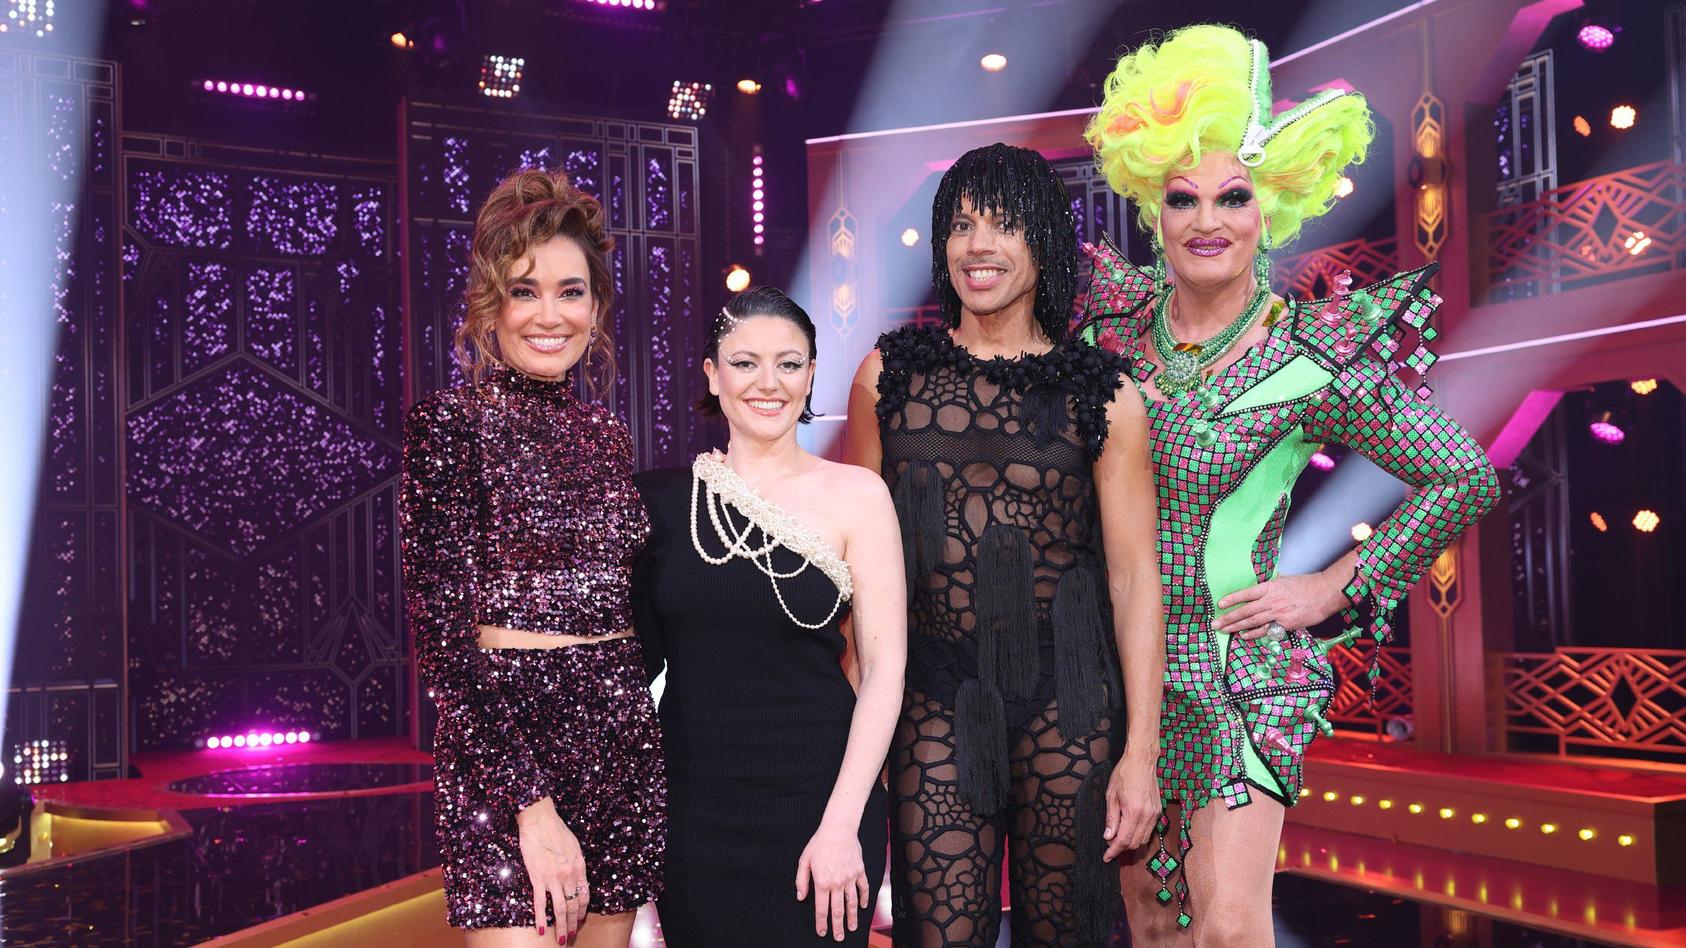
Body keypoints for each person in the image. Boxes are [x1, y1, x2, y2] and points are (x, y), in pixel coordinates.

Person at [1076, 24, 1502, 945]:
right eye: (1183, 198)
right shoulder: (1110, 331)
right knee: (1154, 929)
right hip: (1116, 676)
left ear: (1269, 205)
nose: (1208, 221)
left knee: (1228, 929)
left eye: (1233, 196)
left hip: (1238, 676)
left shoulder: (1312, 356)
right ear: (1153, 209)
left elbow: (1462, 477)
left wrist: (1331, 587)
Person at [845, 143, 1164, 947]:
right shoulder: (887, 376)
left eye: (1003, 225)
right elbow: (856, 567)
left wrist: (1142, 752)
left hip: (1072, 705)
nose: (977, 246)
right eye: (961, 225)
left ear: (1044, 241)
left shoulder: (1106, 393)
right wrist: (856, 723)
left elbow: (1134, 579)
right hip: (932, 699)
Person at [400, 168, 663, 947]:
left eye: (570, 291)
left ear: (597, 306)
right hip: (505, 748)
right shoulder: (448, 425)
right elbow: (443, 643)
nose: (550, 315)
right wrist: (530, 805)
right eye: (525, 291)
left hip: (619, 740)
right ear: (490, 305)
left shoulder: (607, 435)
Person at [632, 286, 904, 946]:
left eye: (788, 363)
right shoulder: (659, 503)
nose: (768, 382)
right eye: (745, 362)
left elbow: (884, 671)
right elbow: (626, 673)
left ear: (811, 375)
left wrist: (841, 824)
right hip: (694, 818)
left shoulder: (858, 495)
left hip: (820, 810)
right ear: (712, 374)